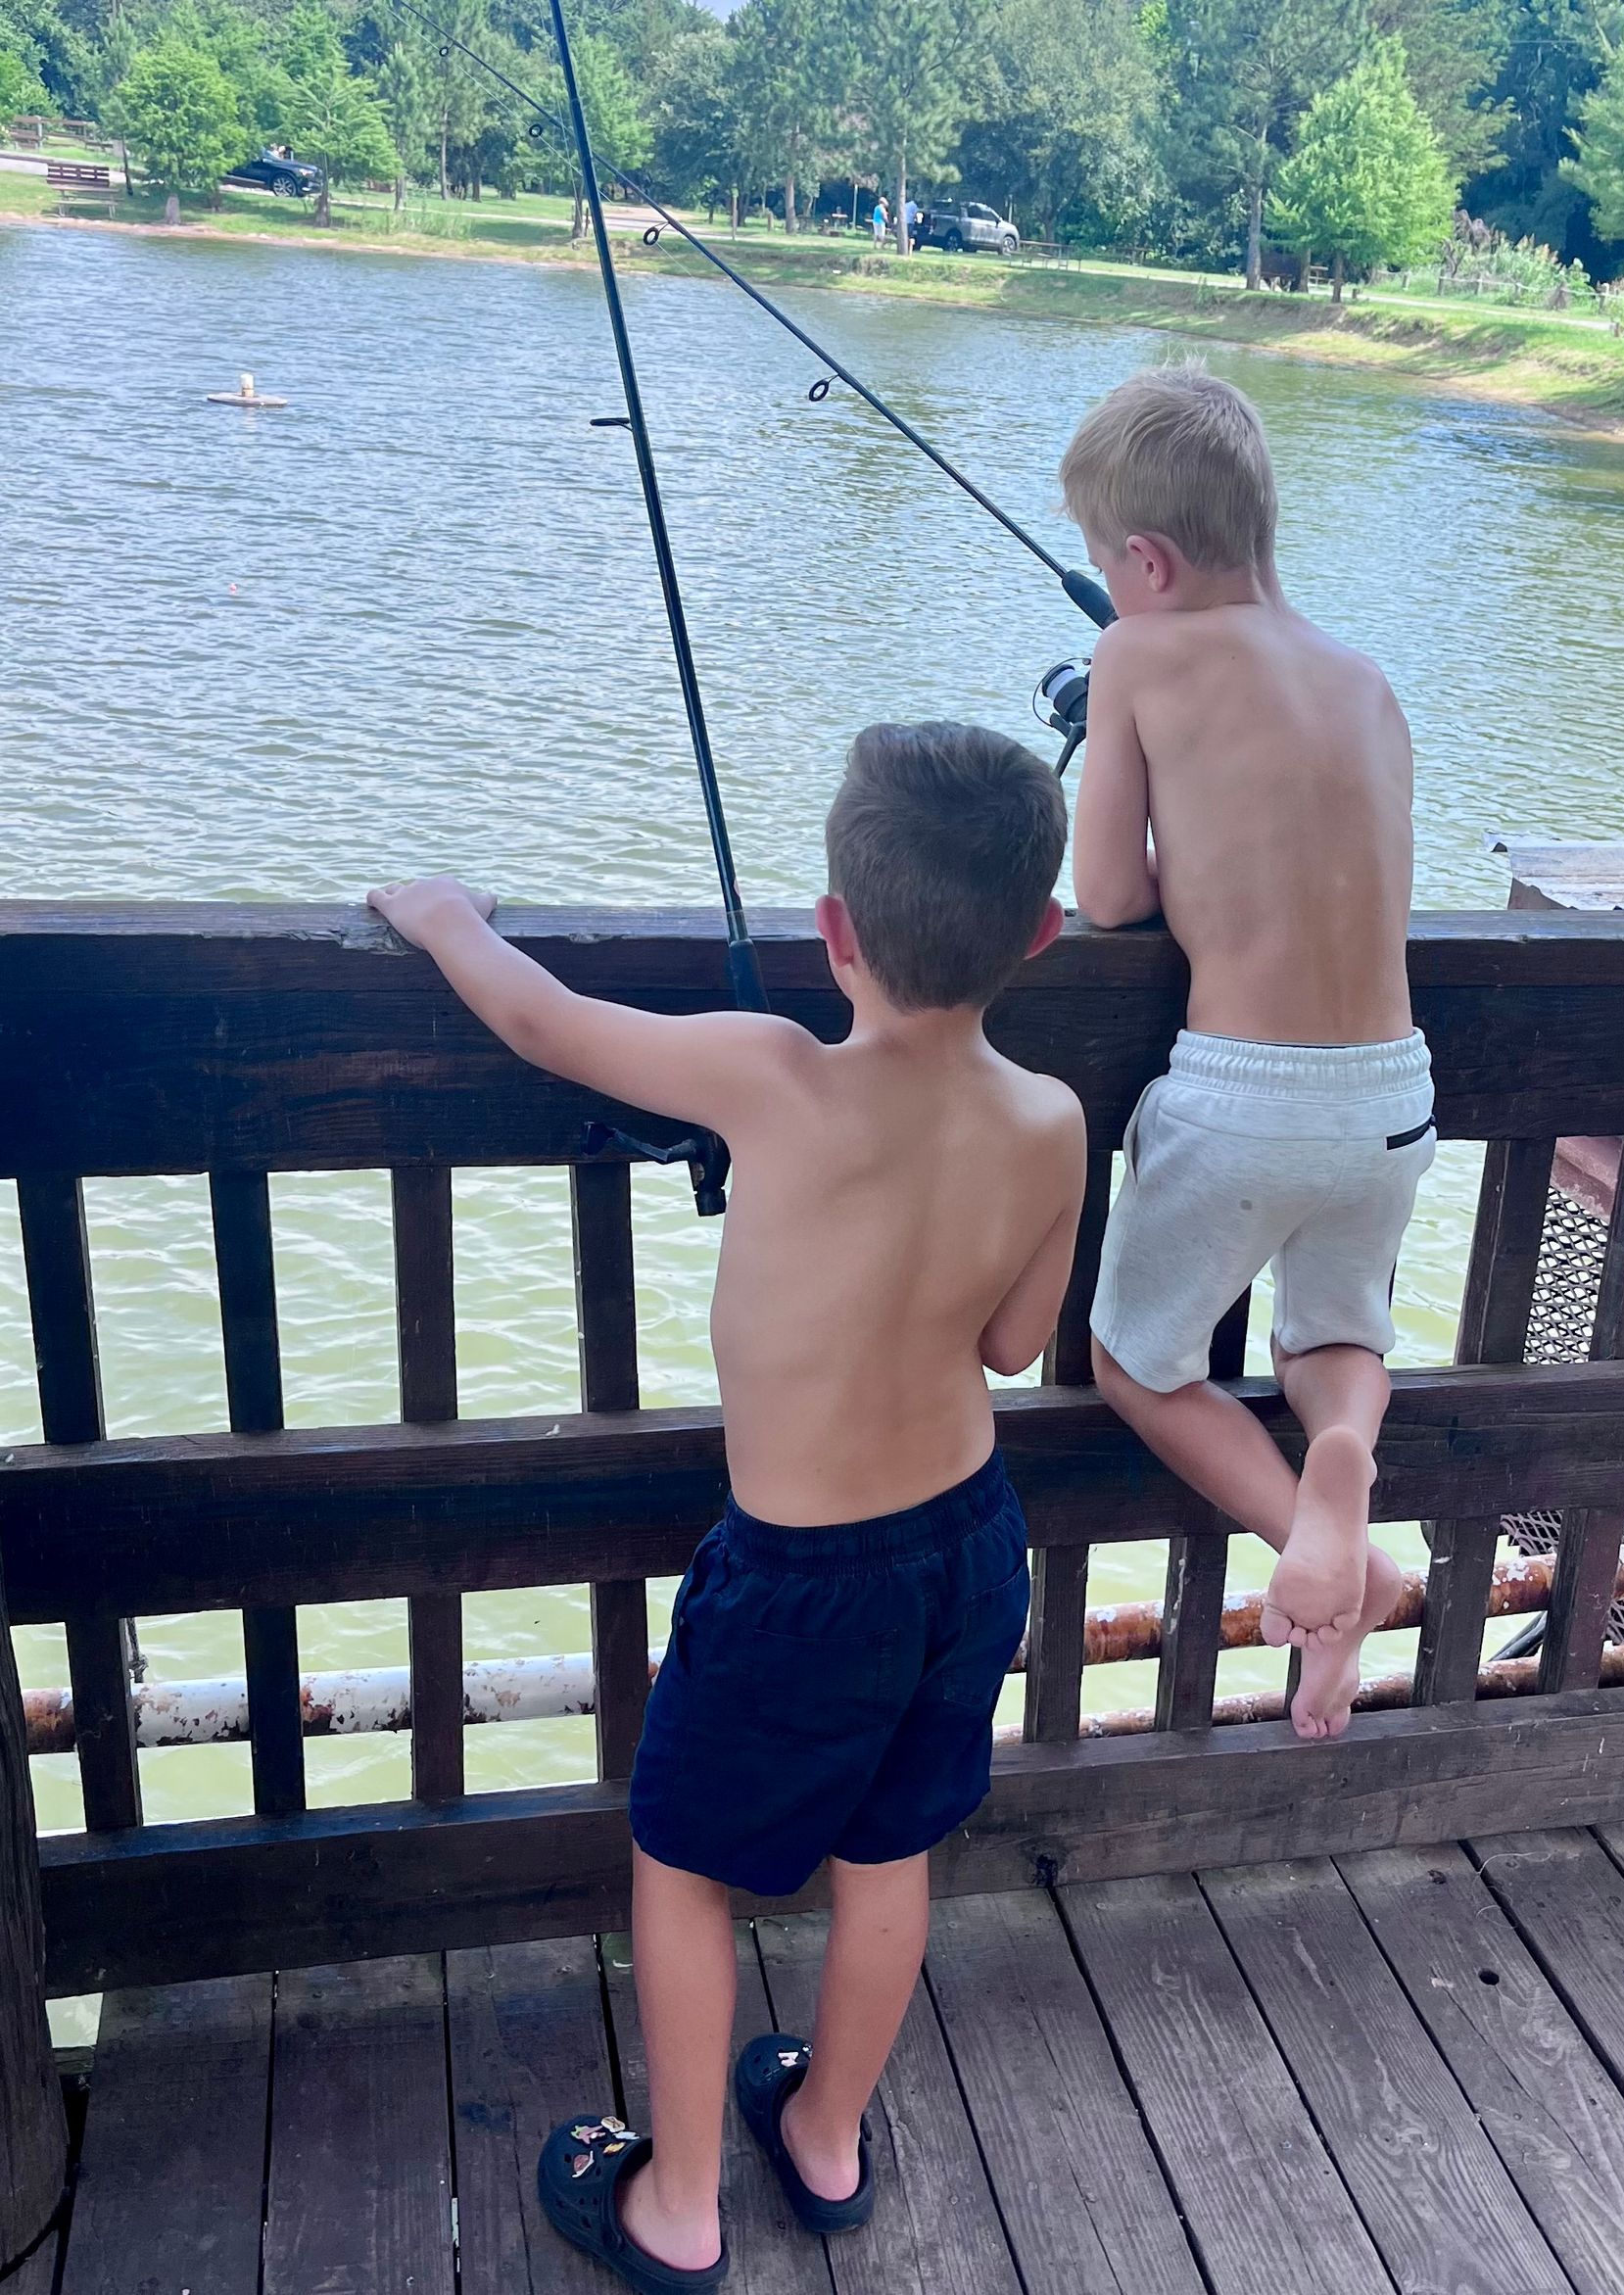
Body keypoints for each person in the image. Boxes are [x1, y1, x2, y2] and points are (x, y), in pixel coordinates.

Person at [367, 721, 1085, 2292]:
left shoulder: (770, 1077)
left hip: (801, 1580)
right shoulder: (1051, 1122)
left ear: (833, 934)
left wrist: (441, 915)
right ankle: (825, 2137)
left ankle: (679, 2203)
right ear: (1042, 931)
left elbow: (545, 1024)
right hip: (969, 1544)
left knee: (687, 1866)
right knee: (889, 1850)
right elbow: (1016, 1343)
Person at [1061, 362, 1433, 1744]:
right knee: (1335, 1333)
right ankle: (1343, 1451)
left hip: (1244, 1096)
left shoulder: (1138, 654)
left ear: (1143, 562)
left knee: (1140, 1364)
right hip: (1392, 1094)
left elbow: (1108, 897)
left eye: (1109, 567)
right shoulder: (1368, 681)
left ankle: (1332, 1539)